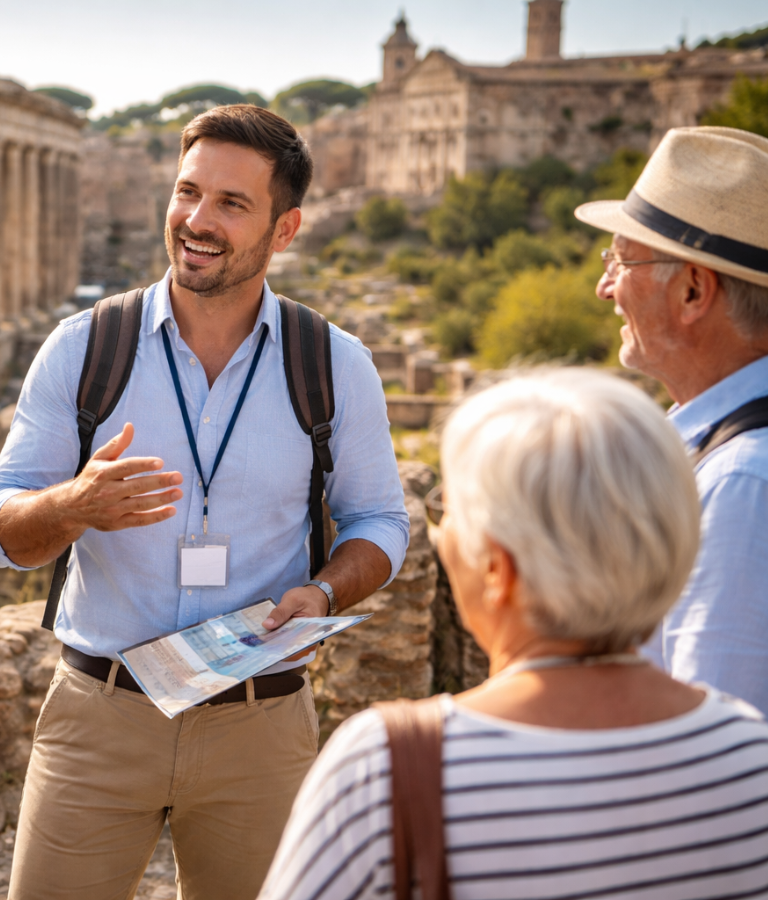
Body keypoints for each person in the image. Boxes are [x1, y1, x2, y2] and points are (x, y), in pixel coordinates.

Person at [0, 104, 410, 900]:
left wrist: (323, 591)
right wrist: (72, 506)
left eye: (231, 204)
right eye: (187, 192)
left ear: (286, 230)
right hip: (99, 717)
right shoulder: (83, 348)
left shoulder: (335, 364)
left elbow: (382, 521)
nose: (196, 221)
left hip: (262, 721)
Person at [260, 368, 768, 900]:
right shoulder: (750, 755)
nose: (442, 533)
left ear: (499, 571)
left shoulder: (389, 771)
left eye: (446, 512)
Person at [575, 126, 768, 712]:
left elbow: (723, 743)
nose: (606, 287)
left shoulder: (741, 484)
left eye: (621, 260)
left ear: (692, 291)